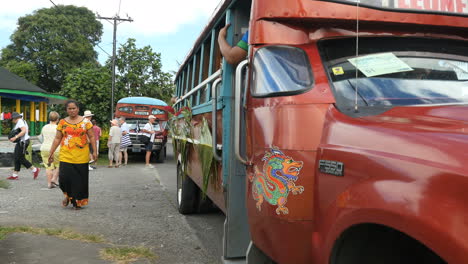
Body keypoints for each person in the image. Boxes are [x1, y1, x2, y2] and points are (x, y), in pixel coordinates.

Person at [48, 100, 97, 210]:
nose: (72, 110)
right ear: (66, 110)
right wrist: (51, 153)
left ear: (78, 109)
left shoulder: (86, 122)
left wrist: (94, 151)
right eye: (69, 108)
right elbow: (57, 138)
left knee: (79, 181)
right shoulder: (62, 122)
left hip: (81, 156)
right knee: (64, 179)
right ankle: (68, 196)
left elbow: (92, 137)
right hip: (66, 155)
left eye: (74, 108)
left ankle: (77, 202)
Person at [7, 112, 40, 180]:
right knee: (16, 157)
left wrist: (15, 137)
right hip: (21, 142)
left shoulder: (20, 121)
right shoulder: (22, 121)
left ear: (15, 118)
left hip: (23, 142)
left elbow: (24, 131)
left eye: (12, 119)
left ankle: (34, 169)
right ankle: (15, 175)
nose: (12, 121)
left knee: (20, 157)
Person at [39, 111, 60, 188]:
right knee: (59, 164)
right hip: (56, 149)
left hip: (45, 148)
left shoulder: (44, 127)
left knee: (49, 166)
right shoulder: (58, 128)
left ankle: (49, 184)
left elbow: (41, 137)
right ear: (57, 119)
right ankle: (54, 179)